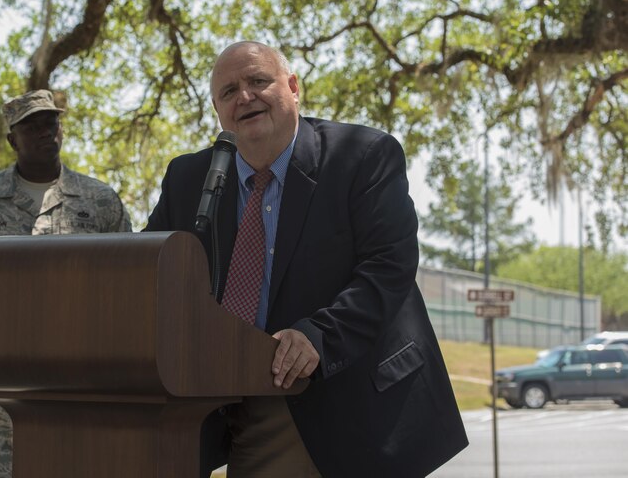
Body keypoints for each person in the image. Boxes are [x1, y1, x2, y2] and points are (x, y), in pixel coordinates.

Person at [145, 42, 467, 477]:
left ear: (293, 88)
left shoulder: (363, 156)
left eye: (259, 81)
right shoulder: (189, 178)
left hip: (342, 397)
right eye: (228, 91)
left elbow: (388, 267)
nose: (245, 97)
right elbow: (149, 274)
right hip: (225, 403)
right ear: (218, 111)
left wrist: (319, 335)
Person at [0, 88, 132, 477]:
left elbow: (127, 289)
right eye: (32, 126)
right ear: (12, 139)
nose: (46, 132)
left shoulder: (99, 201)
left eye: (51, 123)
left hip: (76, 392)